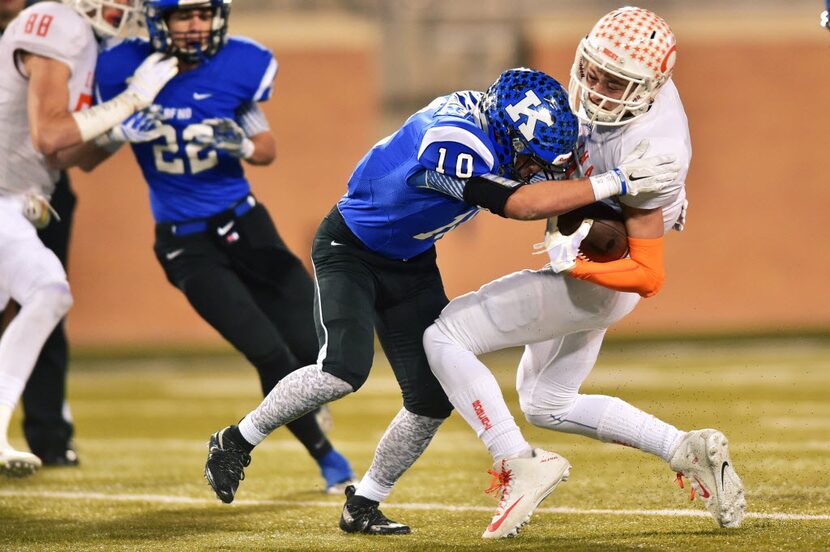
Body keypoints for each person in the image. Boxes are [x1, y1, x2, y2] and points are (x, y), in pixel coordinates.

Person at [202, 65, 681, 535]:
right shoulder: (452, 141)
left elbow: (537, 184)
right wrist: (616, 180)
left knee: (431, 399)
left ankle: (363, 502)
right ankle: (235, 440)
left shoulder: (497, 127)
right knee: (342, 370)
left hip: (408, 259)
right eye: (531, 158)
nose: (537, 170)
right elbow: (519, 204)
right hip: (350, 249)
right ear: (507, 135)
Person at [423, 6, 746, 539]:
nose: (596, 90)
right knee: (545, 401)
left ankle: (516, 463)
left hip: (604, 278)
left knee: (446, 334)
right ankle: (686, 449)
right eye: (593, 72)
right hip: (588, 269)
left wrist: (572, 259)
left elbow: (646, 276)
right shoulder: (609, 93)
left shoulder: (658, 150)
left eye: (615, 83)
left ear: (649, 86)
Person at [92, 0, 356, 494]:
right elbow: (83, 153)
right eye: (182, 16)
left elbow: (266, 148)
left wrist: (241, 144)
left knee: (311, 344)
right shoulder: (124, 68)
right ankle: (328, 459)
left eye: (202, 14)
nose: (195, 26)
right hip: (185, 243)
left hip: (246, 225)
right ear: (158, 20)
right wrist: (117, 124)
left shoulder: (238, 63)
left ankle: (308, 406)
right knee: (268, 352)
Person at [0, 0, 177, 477]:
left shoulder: (84, 39)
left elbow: (69, 159)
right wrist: (129, 101)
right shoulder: (59, 24)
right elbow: (48, 136)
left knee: (48, 294)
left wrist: (118, 132)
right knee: (48, 291)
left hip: (17, 201)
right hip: (4, 199)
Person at [0, 0, 80, 468]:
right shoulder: (47, 32)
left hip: (37, 191)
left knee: (48, 297)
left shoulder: (60, 32)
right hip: (10, 190)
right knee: (48, 292)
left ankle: (51, 434)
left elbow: (63, 144)